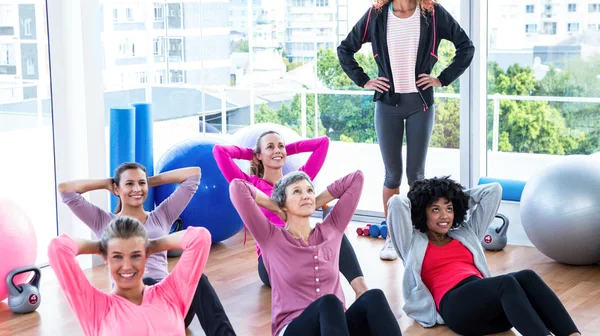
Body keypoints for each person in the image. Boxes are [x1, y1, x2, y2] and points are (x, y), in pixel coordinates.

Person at [337, 0, 475, 261]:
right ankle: (393, 237)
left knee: (417, 176)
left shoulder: (432, 13)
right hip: (387, 104)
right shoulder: (376, 14)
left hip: (419, 104)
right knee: (392, 175)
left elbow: (466, 47)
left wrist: (442, 78)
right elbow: (346, 49)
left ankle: (419, 237)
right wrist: (364, 80)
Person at [58, 163, 236, 336]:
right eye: (129, 184)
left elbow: (193, 175)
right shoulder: (103, 222)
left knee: (198, 279)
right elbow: (66, 190)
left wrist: (149, 181)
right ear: (117, 189)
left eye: (141, 183)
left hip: (170, 302)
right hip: (129, 309)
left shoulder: (161, 215)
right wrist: (107, 183)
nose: (137, 188)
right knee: (148, 281)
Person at [387, 177, 580, 335]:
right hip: (456, 308)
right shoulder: (412, 242)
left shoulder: (467, 233)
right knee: (506, 282)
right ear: (422, 212)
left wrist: (456, 198)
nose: (445, 216)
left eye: (449, 208)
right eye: (435, 209)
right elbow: (397, 203)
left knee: (527, 276)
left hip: (491, 310)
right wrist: (423, 198)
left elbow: (493, 190)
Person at [229, 170, 402, 336]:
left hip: (335, 326)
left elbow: (356, 179)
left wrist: (314, 202)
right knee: (329, 302)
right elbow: (237, 187)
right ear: (283, 202)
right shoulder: (271, 238)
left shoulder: (331, 229)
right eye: (297, 191)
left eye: (309, 190)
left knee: (374, 297)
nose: (305, 195)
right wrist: (276, 207)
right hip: (294, 327)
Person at [213, 133, 368, 297]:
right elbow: (219, 151)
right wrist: (251, 154)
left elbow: (322, 143)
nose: (277, 150)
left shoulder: (296, 182)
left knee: (334, 235)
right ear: (258, 155)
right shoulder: (250, 185)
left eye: (281, 145)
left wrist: (285, 151)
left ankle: (361, 290)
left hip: (303, 245)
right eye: (270, 147)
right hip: (273, 259)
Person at [48, 216, 211, 336]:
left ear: (147, 255)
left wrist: (151, 244)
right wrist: (102, 247)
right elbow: (58, 248)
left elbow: (200, 238)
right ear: (106, 258)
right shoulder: (96, 308)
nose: (127, 266)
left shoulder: (171, 294)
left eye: (135, 256)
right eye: (117, 256)